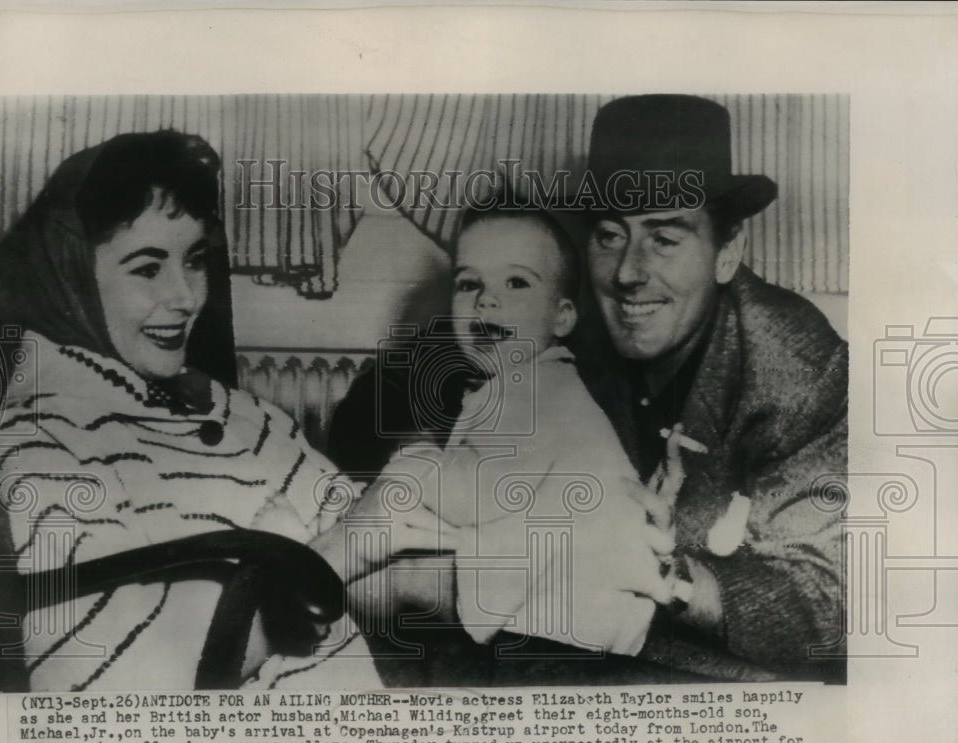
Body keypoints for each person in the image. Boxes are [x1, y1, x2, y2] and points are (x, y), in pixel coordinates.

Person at [0, 130, 452, 692]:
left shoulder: (245, 417)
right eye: (146, 268)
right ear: (69, 277)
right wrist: (335, 554)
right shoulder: (39, 446)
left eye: (195, 261)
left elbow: (376, 558)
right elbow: (117, 697)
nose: (186, 297)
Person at [568, 94, 848, 681]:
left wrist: (664, 573)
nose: (627, 273)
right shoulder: (565, 321)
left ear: (727, 253)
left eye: (664, 238)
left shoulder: (796, 366)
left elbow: (828, 608)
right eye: (609, 236)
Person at [351, 204, 669, 659]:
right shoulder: (523, 383)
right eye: (468, 283)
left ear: (562, 318)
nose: (486, 299)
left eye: (515, 282)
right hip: (567, 594)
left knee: (370, 579)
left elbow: (475, 495)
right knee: (388, 547)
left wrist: (414, 457)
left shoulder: (541, 393)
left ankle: (306, 572)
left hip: (575, 617)